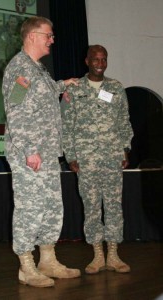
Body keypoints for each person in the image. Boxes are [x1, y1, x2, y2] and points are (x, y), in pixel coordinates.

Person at [2, 16, 80, 288]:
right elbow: (16, 111)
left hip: (47, 153)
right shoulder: (20, 69)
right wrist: (29, 150)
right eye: (48, 35)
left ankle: (48, 259)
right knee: (30, 208)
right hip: (30, 153)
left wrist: (62, 85)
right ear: (33, 36)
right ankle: (26, 266)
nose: (52, 39)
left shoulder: (39, 70)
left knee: (49, 206)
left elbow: (41, 95)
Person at [61, 45, 134, 274]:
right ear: (87, 61)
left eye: (104, 59)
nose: (100, 63)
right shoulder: (74, 89)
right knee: (91, 206)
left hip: (112, 157)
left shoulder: (116, 88)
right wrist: (71, 155)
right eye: (96, 59)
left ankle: (113, 254)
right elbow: (66, 126)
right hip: (86, 160)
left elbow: (124, 121)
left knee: (113, 206)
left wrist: (125, 149)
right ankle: (97, 256)